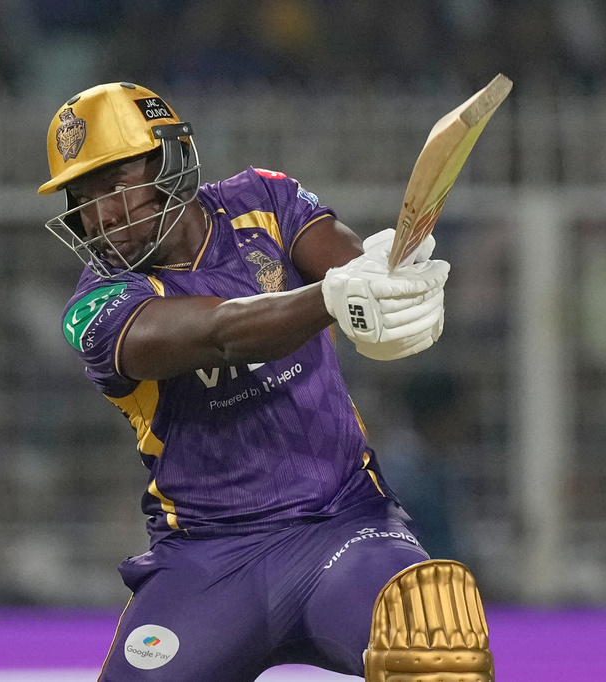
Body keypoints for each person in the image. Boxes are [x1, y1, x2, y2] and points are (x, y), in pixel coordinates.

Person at [38, 82, 493, 681]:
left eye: (118, 184)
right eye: (85, 196)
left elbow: (349, 267)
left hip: (345, 526)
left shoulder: (264, 200)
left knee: (435, 642)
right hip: (206, 560)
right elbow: (222, 332)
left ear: (171, 161)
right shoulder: (96, 307)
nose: (103, 214)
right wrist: (338, 296)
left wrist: (390, 285)